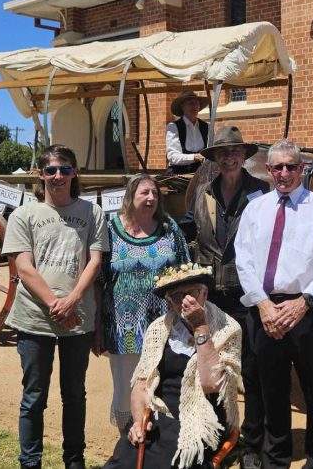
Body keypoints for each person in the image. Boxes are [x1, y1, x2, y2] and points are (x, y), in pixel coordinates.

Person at [234, 139, 313, 469]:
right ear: (268, 171)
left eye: (290, 167)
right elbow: (244, 261)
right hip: (265, 313)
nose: (284, 173)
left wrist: (303, 303)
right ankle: (276, 461)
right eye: (277, 167)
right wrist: (263, 306)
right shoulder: (255, 209)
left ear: (302, 168)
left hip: (306, 312)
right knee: (273, 394)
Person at [1, 144, 107, 469]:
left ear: (75, 173)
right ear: (40, 174)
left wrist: (73, 299)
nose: (57, 176)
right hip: (34, 320)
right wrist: (55, 304)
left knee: (75, 395)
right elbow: (23, 266)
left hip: (77, 319)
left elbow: (96, 260)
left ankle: (74, 461)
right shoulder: (24, 215)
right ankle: (29, 463)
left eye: (64, 169)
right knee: (34, 397)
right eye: (50, 170)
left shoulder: (93, 213)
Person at [104, 263, 242, 469]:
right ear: (169, 302)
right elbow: (142, 384)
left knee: (166, 461)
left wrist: (200, 327)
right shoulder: (159, 328)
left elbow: (211, 384)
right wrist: (137, 422)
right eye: (177, 297)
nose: (186, 301)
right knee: (125, 460)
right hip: (160, 411)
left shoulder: (228, 328)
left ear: (204, 292)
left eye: (192, 293)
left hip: (204, 414)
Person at [192, 126, 269, 469]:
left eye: (235, 152)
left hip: (247, 293)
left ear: (244, 156)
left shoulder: (261, 192)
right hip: (214, 295)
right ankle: (218, 435)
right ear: (215, 159)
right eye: (223, 153)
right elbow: (194, 237)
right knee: (214, 367)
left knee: (252, 369)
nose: (230, 158)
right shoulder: (204, 192)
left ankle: (252, 443)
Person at [96, 173, 191, 438]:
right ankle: (128, 442)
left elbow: (184, 268)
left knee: (160, 385)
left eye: (155, 194)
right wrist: (97, 326)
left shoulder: (169, 227)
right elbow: (97, 278)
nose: (151, 198)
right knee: (126, 388)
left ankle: (157, 444)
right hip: (122, 325)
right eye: (144, 193)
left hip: (163, 325)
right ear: (130, 196)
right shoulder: (110, 229)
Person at [165, 91, 210, 174]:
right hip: (179, 173)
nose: (195, 106)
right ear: (182, 106)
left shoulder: (207, 127)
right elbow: (172, 156)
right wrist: (194, 157)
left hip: (201, 173)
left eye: (197, 103)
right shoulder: (174, 127)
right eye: (190, 103)